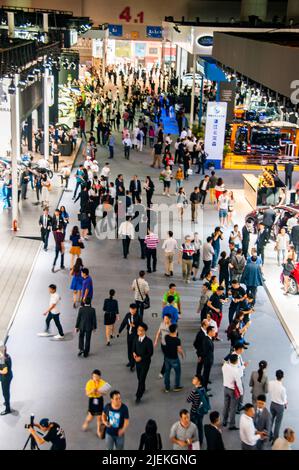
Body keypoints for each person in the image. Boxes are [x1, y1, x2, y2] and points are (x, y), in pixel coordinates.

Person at [82, 370, 111, 438]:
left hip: (99, 400)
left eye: (97, 376)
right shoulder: (89, 383)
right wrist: (92, 391)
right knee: (90, 416)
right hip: (92, 400)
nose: (95, 378)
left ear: (99, 377)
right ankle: (86, 423)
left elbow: (105, 393)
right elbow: (87, 393)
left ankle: (98, 430)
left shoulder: (102, 383)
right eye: (94, 376)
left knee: (99, 417)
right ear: (92, 376)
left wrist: (100, 393)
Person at [132, 322, 154, 404]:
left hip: (145, 363)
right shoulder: (135, 339)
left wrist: (141, 358)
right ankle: (143, 388)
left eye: (141, 330)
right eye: (138, 330)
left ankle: (138, 396)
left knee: (141, 379)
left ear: (145, 331)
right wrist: (134, 354)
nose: (139, 332)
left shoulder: (148, 341)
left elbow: (150, 353)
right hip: (137, 362)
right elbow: (133, 348)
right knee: (139, 377)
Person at [187, 375, 210, 446]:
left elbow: (188, 400)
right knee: (200, 426)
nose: (193, 379)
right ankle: (201, 441)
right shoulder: (203, 389)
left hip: (194, 412)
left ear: (198, 381)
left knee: (193, 428)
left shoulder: (194, 391)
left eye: (195, 379)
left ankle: (193, 443)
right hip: (201, 411)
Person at [222, 354, 244, 430]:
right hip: (232, 390)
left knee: (226, 406)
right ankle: (231, 425)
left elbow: (224, 360)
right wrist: (241, 393)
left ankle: (224, 421)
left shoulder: (224, 366)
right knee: (233, 408)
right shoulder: (235, 371)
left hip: (225, 388)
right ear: (236, 361)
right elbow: (239, 384)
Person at [118, 304, 140, 371]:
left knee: (134, 350)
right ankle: (130, 361)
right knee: (129, 348)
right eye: (130, 309)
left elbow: (141, 326)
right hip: (129, 334)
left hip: (135, 335)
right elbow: (123, 323)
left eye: (133, 309)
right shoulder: (128, 315)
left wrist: (135, 325)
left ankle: (133, 365)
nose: (131, 311)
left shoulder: (138, 317)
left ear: (135, 309)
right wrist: (119, 331)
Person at [163, 324, 184, 393]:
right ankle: (176, 386)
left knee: (167, 373)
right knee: (178, 372)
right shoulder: (177, 340)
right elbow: (179, 350)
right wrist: (182, 354)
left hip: (166, 358)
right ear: (175, 330)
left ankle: (167, 388)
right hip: (174, 359)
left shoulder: (166, 337)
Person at [269, 369, 287, 442]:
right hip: (280, 406)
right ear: (282, 377)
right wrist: (285, 403)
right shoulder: (283, 388)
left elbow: (269, 390)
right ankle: (275, 439)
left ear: (276, 376)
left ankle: (269, 435)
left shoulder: (270, 383)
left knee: (270, 421)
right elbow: (283, 399)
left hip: (272, 404)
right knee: (278, 423)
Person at [154, 314, 171, 378]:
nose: (164, 320)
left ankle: (162, 372)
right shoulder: (162, 324)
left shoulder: (172, 326)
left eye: (166, 319)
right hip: (162, 344)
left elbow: (175, 336)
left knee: (166, 358)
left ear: (170, 319)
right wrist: (156, 341)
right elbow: (158, 332)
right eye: (164, 318)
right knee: (167, 357)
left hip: (168, 345)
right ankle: (169, 365)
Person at [0, 343, 13, 415]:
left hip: (6, 378)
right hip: (7, 376)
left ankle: (8, 409)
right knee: (5, 392)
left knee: (5, 393)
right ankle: (6, 401)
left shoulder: (3, 359)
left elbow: (4, 371)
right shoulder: (6, 356)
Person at [202, 326, 216, 391]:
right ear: (210, 332)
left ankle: (205, 385)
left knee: (206, 373)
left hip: (208, 359)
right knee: (206, 374)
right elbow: (205, 352)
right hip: (207, 360)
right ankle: (204, 388)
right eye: (213, 331)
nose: (215, 332)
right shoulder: (207, 341)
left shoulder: (208, 338)